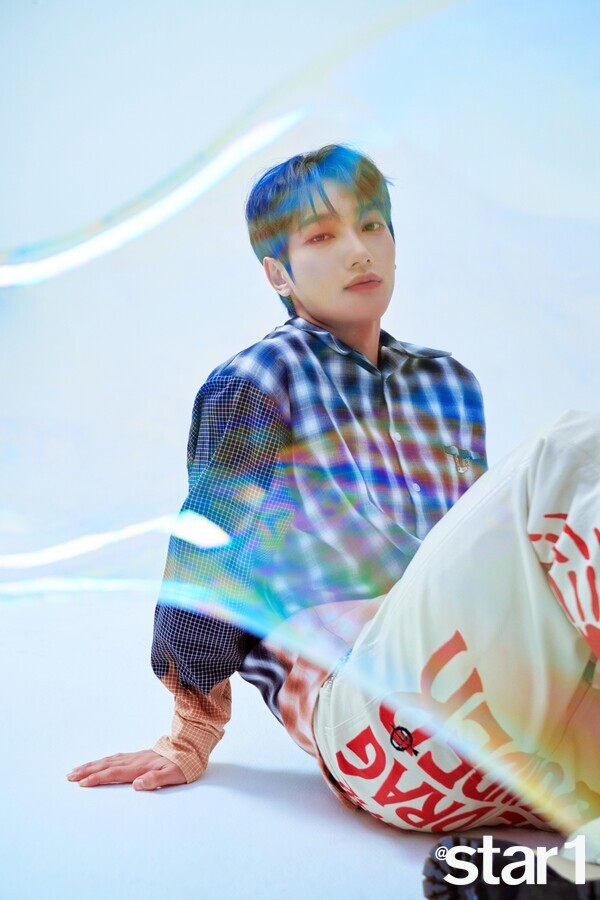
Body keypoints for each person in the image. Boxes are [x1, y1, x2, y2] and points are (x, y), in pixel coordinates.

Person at [66, 146, 600, 885]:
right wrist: (190, 732)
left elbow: (495, 566)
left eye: (373, 225)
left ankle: (549, 871)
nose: (359, 250)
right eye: (322, 236)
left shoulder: (449, 383)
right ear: (277, 274)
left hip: (510, 735)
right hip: (378, 716)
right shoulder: (258, 382)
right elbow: (209, 557)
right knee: (577, 447)